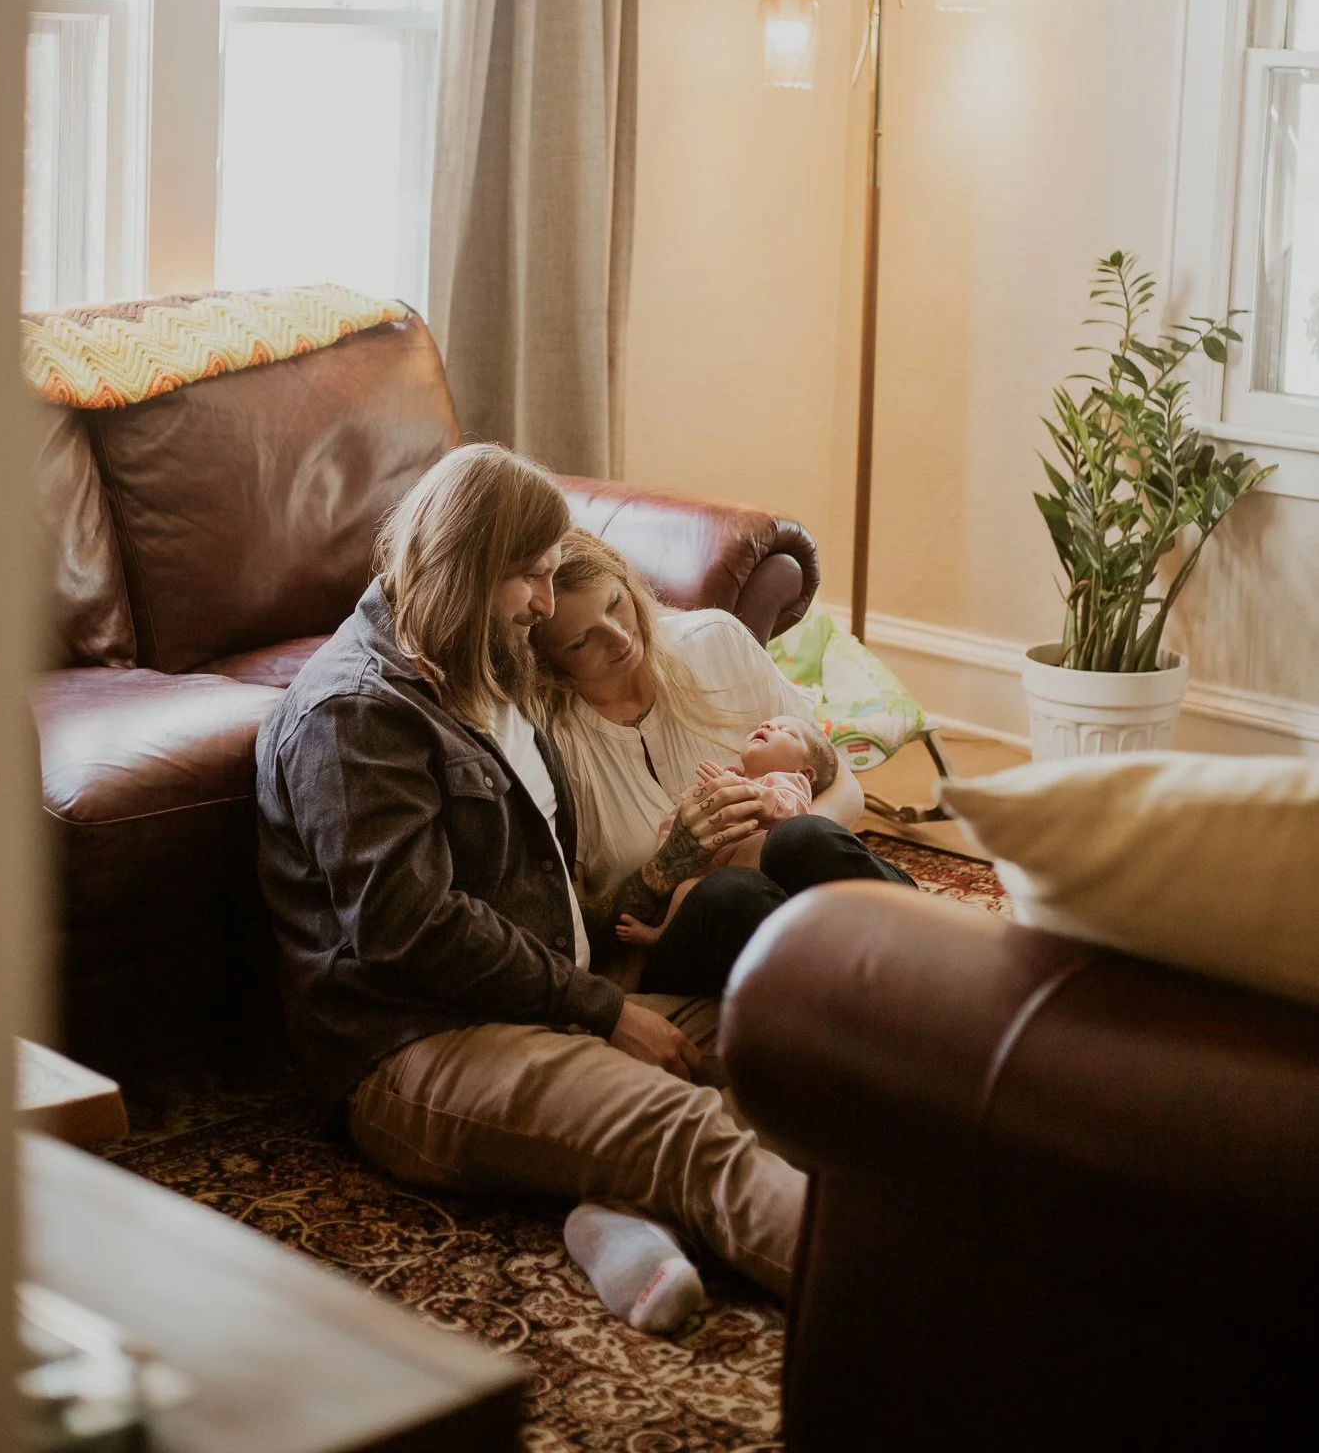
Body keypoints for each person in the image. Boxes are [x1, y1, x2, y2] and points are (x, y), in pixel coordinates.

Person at [254, 444, 805, 1336]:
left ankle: (620, 1218)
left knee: (796, 1045)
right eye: (530, 579)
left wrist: (656, 886)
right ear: (465, 568)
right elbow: (408, 927)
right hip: (417, 1045)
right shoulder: (353, 714)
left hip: (542, 999)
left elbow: (534, 890)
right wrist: (601, 1010)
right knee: (689, 1130)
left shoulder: (489, 675)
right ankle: (913, 1305)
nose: (545, 607)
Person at [532, 529, 916, 996]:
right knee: (730, 894)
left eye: (616, 604)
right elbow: (567, 929)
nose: (619, 638)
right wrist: (670, 863)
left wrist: (775, 831)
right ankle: (883, 1002)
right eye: (580, 642)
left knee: (801, 838)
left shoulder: (715, 641)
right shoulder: (548, 740)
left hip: (792, 894)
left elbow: (844, 786)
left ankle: (932, 962)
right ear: (547, 661)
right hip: (679, 943)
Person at [614, 714, 836, 952]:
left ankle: (660, 938)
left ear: (805, 772)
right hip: (710, 879)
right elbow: (678, 820)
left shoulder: (787, 782)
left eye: (787, 731)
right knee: (684, 890)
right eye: (766, 723)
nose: (768, 725)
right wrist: (669, 847)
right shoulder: (724, 777)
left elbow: (792, 814)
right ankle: (655, 944)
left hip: (755, 877)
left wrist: (743, 791)